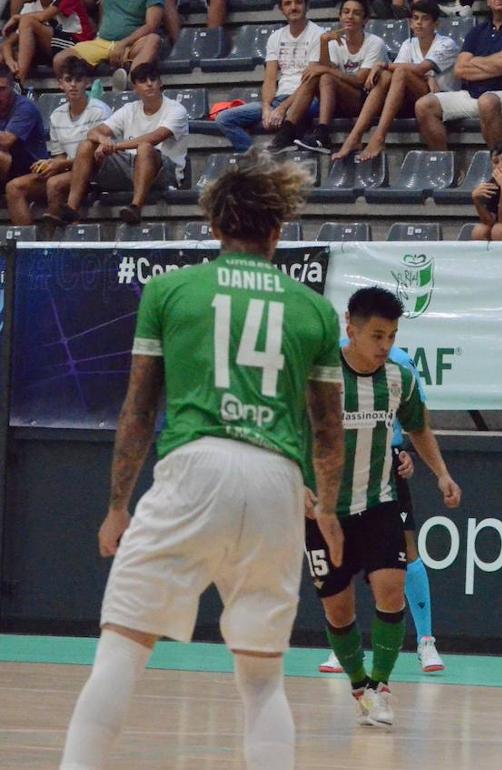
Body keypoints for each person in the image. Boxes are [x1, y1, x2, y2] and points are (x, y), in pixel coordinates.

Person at [58, 149, 347, 770]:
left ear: (215, 227)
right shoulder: (316, 310)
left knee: (122, 651)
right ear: (277, 229)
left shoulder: (171, 291)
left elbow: (138, 410)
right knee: (263, 681)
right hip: (278, 481)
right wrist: (325, 507)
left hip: (196, 468)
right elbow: (328, 430)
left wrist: (117, 506)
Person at [304, 286, 462, 727]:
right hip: (323, 511)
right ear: (349, 329)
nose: (385, 346)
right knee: (339, 610)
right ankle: (359, 685)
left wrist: (442, 474)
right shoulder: (318, 376)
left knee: (391, 587)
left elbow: (418, 427)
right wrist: (298, 484)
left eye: (392, 336)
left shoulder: (400, 377)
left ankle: (381, 686)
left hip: (379, 500)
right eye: (377, 336)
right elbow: (284, 429)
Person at [320, 347, 447, 676]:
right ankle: (346, 647)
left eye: (389, 330)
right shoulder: (332, 360)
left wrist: (405, 454)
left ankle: (426, 641)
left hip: (386, 467)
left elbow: (413, 418)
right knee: (340, 555)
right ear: (351, 327)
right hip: (343, 471)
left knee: (405, 550)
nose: (383, 337)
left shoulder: (401, 363)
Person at [45, 62, 188, 226]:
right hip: (128, 166)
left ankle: (135, 207)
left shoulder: (176, 110)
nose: (149, 83)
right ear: (135, 87)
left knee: (145, 147)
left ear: (160, 82)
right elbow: (93, 132)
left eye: (153, 79)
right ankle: (72, 208)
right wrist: (102, 140)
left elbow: (153, 138)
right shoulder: (129, 109)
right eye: (143, 80)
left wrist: (115, 146)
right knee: (87, 145)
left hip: (164, 172)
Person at [332, 0, 460, 162]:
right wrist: (427, 77)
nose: (419, 23)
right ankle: (355, 137)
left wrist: (382, 64)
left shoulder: (447, 44)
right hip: (414, 99)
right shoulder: (408, 43)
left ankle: (378, 137)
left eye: (425, 19)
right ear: (410, 22)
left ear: (436, 24)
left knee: (397, 72)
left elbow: (418, 68)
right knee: (386, 76)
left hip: (441, 99)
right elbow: (404, 71)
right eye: (415, 18)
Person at [413, 0, 502, 150]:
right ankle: (443, 163)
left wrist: (476, 62)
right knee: (424, 105)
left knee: (487, 102)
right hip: (473, 94)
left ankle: (498, 166)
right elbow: (460, 69)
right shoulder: (477, 30)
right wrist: (493, 65)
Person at [271, 0, 387, 155]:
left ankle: (323, 133)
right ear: (340, 17)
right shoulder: (335, 42)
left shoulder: (375, 42)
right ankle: (287, 131)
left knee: (324, 75)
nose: (350, 16)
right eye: (346, 12)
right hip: (339, 99)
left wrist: (324, 69)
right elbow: (325, 70)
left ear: (366, 20)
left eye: (356, 13)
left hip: (366, 100)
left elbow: (360, 80)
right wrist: (324, 43)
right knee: (317, 75)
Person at [4, 56, 109, 225]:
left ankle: (54, 239)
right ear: (60, 84)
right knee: (14, 187)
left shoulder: (99, 111)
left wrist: (59, 165)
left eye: (78, 80)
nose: (73, 85)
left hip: (95, 172)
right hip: (68, 170)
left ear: (87, 83)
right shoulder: (56, 115)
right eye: (68, 80)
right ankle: (27, 244)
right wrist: (49, 165)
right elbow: (60, 157)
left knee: (55, 183)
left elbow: (98, 157)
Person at [215, 0, 324, 153]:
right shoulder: (276, 37)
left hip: (308, 99)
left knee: (302, 112)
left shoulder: (319, 35)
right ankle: (255, 158)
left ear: (307, 6)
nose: (293, 7)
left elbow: (311, 81)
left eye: (298, 2)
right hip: (279, 100)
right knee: (224, 119)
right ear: (281, 9)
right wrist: (267, 108)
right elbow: (270, 79)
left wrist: (282, 109)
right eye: (287, 3)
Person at [52, 0, 163, 88]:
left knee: (153, 40)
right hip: (102, 42)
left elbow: (152, 25)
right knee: (60, 60)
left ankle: (131, 84)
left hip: (132, 43)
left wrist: (123, 44)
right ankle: (81, 99)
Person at [0, 0, 95, 89]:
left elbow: (42, 16)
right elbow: (7, 43)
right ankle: (11, 88)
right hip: (51, 49)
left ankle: (19, 84)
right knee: (5, 55)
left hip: (76, 45)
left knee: (27, 21)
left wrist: (16, 17)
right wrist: (9, 60)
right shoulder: (30, 7)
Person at [0, 65, 48, 188]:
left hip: (33, 169)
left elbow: (6, 141)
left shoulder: (25, 107)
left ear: (12, 87)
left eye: (2, 89)